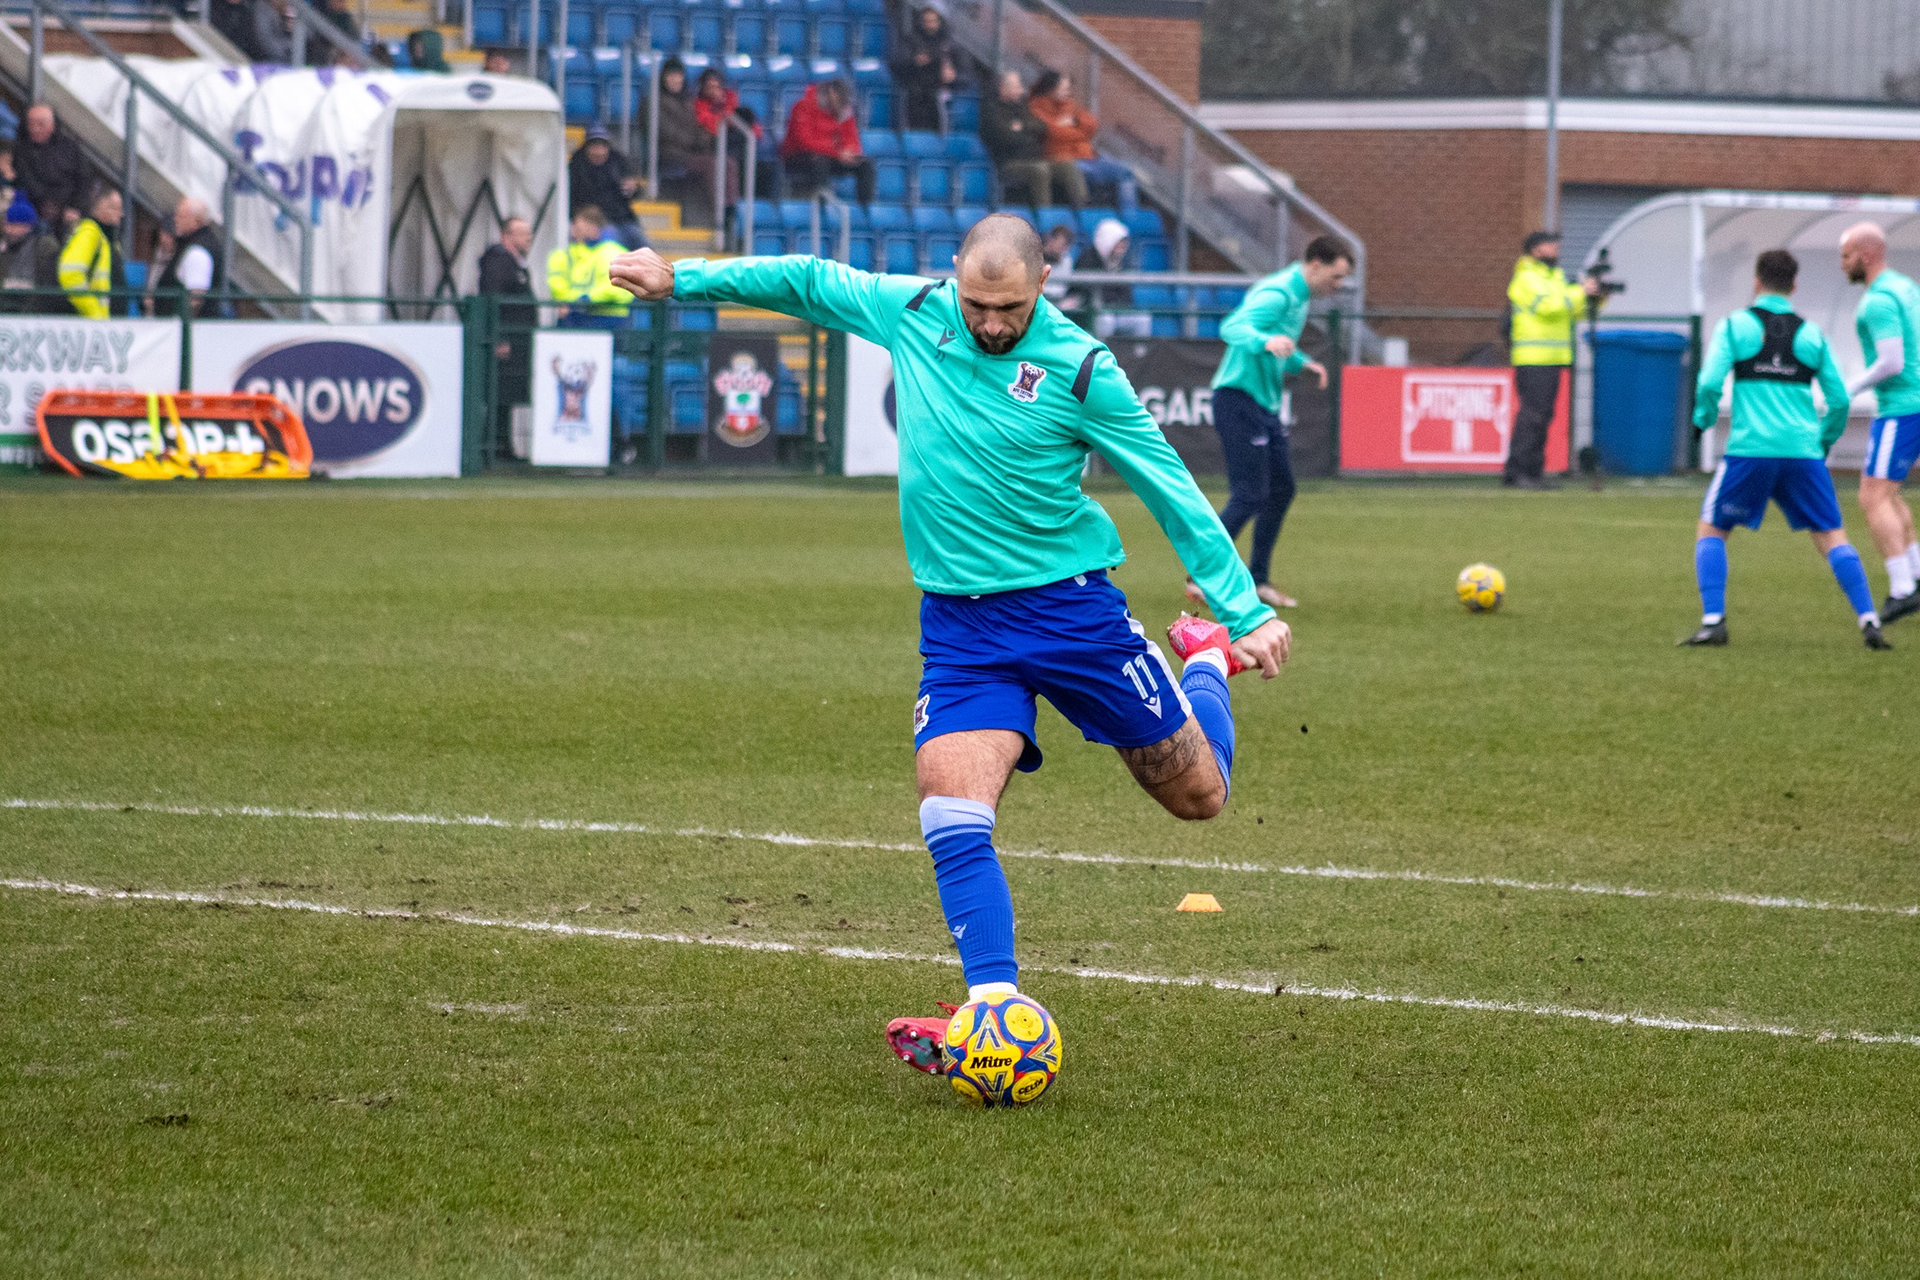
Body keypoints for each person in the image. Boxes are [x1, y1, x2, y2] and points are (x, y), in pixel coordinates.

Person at [607, 216, 1290, 1081]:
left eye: (1010, 309)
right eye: (977, 305)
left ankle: (1202, 663)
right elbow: (808, 280)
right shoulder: (913, 310)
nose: (991, 324)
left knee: (1199, 798)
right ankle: (994, 1009)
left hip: (1073, 616)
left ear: (1043, 287)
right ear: (954, 278)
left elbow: (1171, 487)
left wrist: (1240, 611)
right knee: (950, 811)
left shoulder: (1083, 369)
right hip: (963, 630)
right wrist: (683, 279)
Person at [1682, 249, 1888, 651]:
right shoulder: (1812, 335)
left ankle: (1713, 621)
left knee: (1712, 529)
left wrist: (1702, 420)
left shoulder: (1735, 326)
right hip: (1803, 453)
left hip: (1751, 450)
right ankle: (1869, 619)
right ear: (1794, 286)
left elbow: (1708, 383)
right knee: (1831, 535)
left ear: (1757, 282)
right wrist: (1822, 441)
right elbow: (1839, 401)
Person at [1195, 235, 1351, 612]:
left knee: (1281, 489)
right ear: (1316, 264)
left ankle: (1259, 580)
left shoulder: (1300, 297)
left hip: (1262, 404)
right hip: (1237, 398)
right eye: (1337, 275)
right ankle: (1201, 576)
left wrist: (1300, 363)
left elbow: (1280, 345)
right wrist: (1263, 342)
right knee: (1249, 493)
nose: (1340, 285)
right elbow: (1233, 327)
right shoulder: (1279, 293)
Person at [1839, 221, 1920, 624]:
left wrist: (1847, 389)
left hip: (1902, 406)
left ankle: (1902, 589)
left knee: (1872, 497)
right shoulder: (1905, 286)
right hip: (1913, 402)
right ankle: (1915, 575)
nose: (1842, 264)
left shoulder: (1878, 301)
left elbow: (1892, 362)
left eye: (1846, 255)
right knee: (1889, 493)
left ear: (1866, 254)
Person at [1505, 230, 1602, 489]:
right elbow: (1547, 307)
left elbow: (1573, 310)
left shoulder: (1555, 278)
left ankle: (1533, 472)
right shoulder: (1526, 278)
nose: (1557, 249)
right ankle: (1518, 472)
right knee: (1533, 416)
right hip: (1533, 358)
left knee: (1542, 416)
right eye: (1551, 245)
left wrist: (1594, 298)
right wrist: (1579, 291)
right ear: (1536, 249)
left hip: (1552, 358)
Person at [1027, 71, 1136, 210]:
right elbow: (1055, 133)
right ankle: (1084, 213)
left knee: (1127, 171)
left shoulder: (1069, 105)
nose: (1068, 92)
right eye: (1064, 89)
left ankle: (1130, 215)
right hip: (1062, 159)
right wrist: (1079, 131)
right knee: (1087, 173)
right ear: (1051, 89)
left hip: (1087, 157)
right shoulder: (1037, 108)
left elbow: (1092, 125)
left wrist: (1073, 122)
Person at [980, 70, 1084, 210]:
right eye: (1016, 87)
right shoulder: (991, 110)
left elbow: (1041, 126)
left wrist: (1021, 126)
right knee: (1040, 170)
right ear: (1003, 88)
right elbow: (1007, 137)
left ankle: (1082, 210)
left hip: (1034, 158)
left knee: (1066, 165)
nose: (1021, 90)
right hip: (1009, 163)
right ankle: (1044, 213)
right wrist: (1026, 130)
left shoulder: (1022, 106)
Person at [479, 215, 538, 445]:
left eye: (529, 233)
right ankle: (494, 443)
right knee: (498, 391)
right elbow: (492, 299)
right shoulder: (498, 262)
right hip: (506, 339)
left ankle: (504, 444)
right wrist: (499, 337)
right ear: (507, 236)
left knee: (509, 392)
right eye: (522, 233)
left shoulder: (517, 263)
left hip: (518, 339)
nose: (528, 238)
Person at [781, 79, 874, 207]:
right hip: (798, 156)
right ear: (830, 93)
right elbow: (804, 142)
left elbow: (852, 138)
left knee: (865, 165)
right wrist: (837, 153)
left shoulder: (844, 110)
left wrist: (849, 151)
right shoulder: (803, 107)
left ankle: (865, 209)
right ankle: (822, 206)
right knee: (819, 162)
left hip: (832, 155)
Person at [546, 205, 629, 328]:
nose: (573, 230)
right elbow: (558, 286)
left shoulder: (612, 252)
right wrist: (579, 301)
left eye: (578, 227)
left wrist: (584, 300)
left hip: (609, 318)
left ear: (594, 227)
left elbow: (614, 288)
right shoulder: (567, 254)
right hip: (577, 316)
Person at [569, 127, 645, 250]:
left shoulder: (618, 163)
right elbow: (572, 199)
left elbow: (634, 192)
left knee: (643, 243)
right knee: (613, 239)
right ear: (586, 148)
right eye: (594, 146)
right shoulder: (577, 167)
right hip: (596, 220)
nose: (599, 151)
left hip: (622, 219)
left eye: (602, 146)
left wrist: (633, 189)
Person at [14, 104, 86, 232]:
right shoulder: (20, 148)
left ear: (52, 126)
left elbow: (83, 179)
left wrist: (75, 207)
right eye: (31, 124)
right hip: (34, 209)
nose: (35, 129)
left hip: (68, 210)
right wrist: (48, 204)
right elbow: (26, 180)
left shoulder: (70, 147)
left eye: (41, 124)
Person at [59, 183, 124, 320]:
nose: (121, 214)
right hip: (96, 325)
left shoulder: (109, 240)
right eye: (116, 208)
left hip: (111, 324)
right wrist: (95, 314)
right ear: (102, 208)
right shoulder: (89, 232)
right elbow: (70, 274)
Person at [152, 197, 225, 318]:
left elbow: (195, 299)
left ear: (196, 221)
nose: (175, 220)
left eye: (181, 216)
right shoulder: (193, 244)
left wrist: (182, 324)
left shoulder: (198, 252)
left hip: (183, 326)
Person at [1077, 216, 1147, 339]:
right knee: (1106, 320)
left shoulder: (1121, 263)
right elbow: (1085, 292)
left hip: (1117, 310)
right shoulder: (1088, 259)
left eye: (1124, 244)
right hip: (1090, 312)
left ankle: (1139, 351)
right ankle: (1102, 350)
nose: (1123, 248)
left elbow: (1126, 296)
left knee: (1142, 319)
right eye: (1119, 243)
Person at [891, 4, 958, 132]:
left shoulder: (949, 44)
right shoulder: (910, 40)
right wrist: (914, 61)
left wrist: (953, 76)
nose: (930, 25)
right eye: (927, 21)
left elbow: (965, 75)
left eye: (933, 21)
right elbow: (897, 65)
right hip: (915, 90)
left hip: (939, 90)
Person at [0, 192, 62, 315]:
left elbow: (49, 279)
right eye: (9, 225)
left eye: (17, 225)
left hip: (34, 305)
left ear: (29, 226)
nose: (11, 230)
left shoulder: (45, 246)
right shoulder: (4, 246)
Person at [1039, 222, 1075, 304]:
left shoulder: (1066, 259)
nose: (1061, 248)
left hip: (1059, 299)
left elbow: (1063, 287)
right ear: (1051, 240)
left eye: (1064, 245)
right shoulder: (1035, 256)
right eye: (1059, 243)